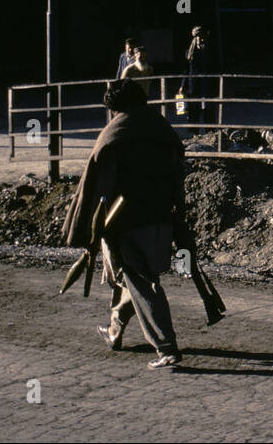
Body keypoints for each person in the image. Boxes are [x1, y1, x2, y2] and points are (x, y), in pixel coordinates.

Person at [62, 79, 185, 369]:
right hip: (161, 218)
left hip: (128, 221)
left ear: (116, 108)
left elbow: (99, 185)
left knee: (142, 282)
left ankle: (166, 348)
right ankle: (115, 328)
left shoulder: (115, 133)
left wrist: (90, 229)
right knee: (134, 278)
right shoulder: (162, 128)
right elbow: (177, 173)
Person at [183, 26, 214, 128]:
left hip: (207, 84)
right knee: (194, 109)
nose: (202, 39)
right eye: (199, 37)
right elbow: (186, 70)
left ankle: (210, 132)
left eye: (203, 36)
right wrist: (182, 85)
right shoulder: (189, 52)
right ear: (195, 38)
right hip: (194, 84)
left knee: (208, 108)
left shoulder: (210, 50)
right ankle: (194, 132)